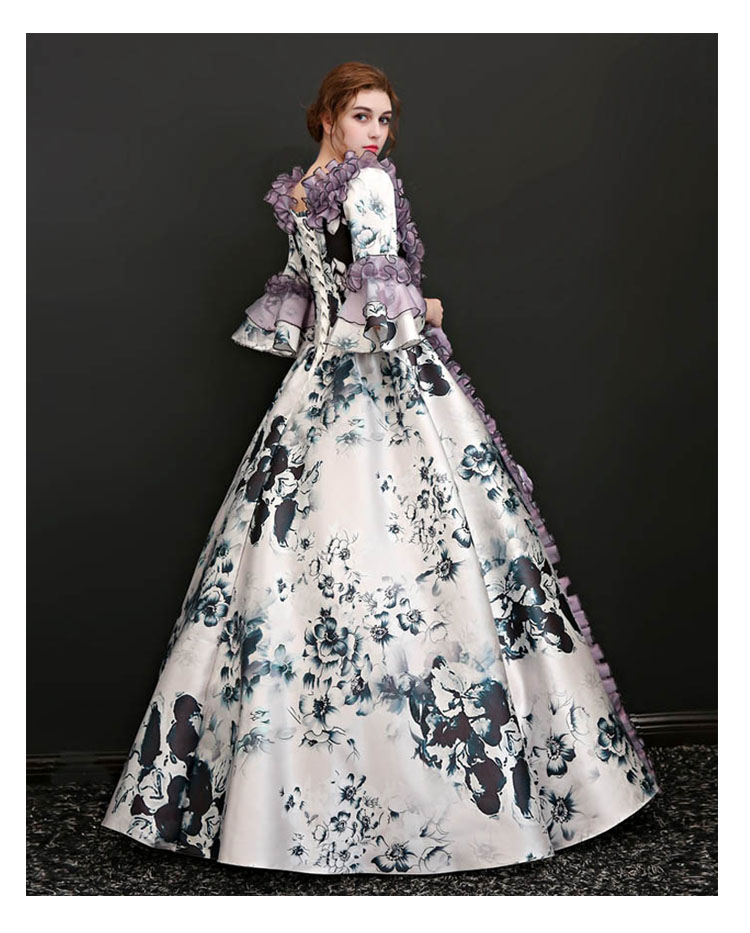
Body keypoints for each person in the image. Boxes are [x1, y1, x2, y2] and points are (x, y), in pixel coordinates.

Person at [101, 61, 660, 876]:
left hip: (313, 386)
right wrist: (424, 309)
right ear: (327, 116)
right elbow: (384, 312)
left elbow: (312, 302)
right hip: (380, 385)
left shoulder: (300, 193)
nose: (375, 133)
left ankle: (279, 803)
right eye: (362, 115)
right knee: (435, 555)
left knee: (286, 563)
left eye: (385, 119)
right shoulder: (365, 186)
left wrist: (374, 311)